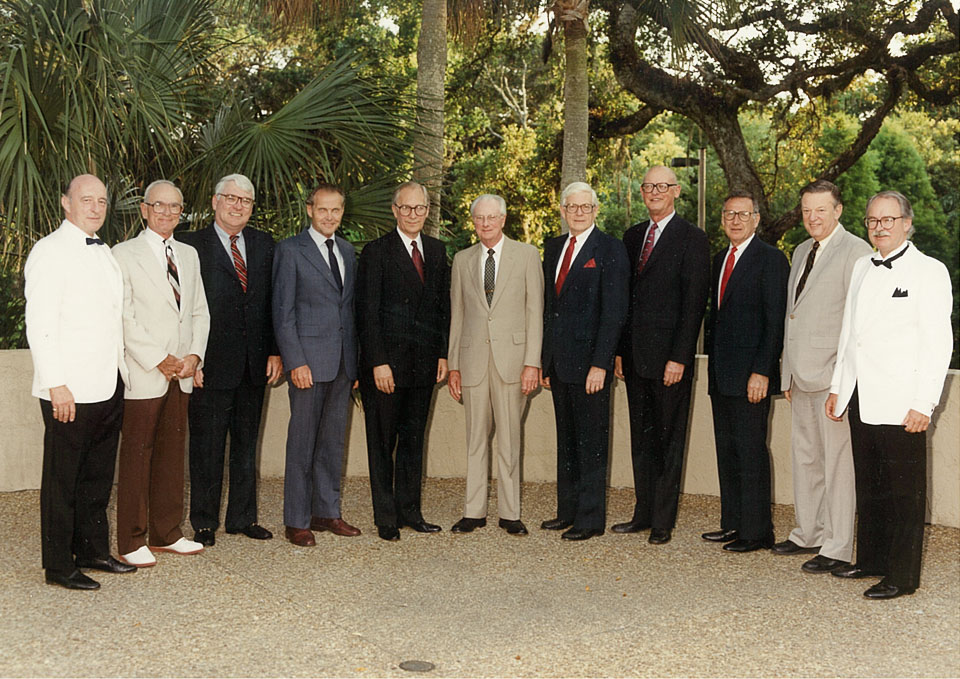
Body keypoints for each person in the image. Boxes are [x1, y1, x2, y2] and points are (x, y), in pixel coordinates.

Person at [826, 190, 953, 600]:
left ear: (906, 223)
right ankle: (872, 560)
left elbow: (938, 344)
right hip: (862, 395)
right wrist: (838, 387)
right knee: (871, 484)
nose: (879, 227)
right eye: (873, 221)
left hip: (903, 403)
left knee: (905, 492)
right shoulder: (862, 266)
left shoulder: (929, 271)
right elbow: (850, 335)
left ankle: (902, 576)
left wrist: (924, 403)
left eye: (887, 220)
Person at [25, 174, 136, 589]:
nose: (95, 207)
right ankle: (58, 566)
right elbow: (40, 324)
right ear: (65, 203)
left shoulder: (104, 253)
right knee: (62, 479)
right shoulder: (49, 251)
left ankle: (91, 550)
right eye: (86, 200)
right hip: (68, 388)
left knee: (96, 477)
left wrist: (121, 376)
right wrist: (56, 384)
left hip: (107, 383)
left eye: (102, 201)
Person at [772, 180, 871, 573]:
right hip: (800, 377)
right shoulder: (800, 251)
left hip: (833, 379)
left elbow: (856, 325)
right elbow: (792, 316)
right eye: (807, 210)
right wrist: (786, 375)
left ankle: (837, 546)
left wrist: (842, 383)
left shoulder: (857, 253)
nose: (813, 217)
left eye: (821, 210)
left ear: (838, 211)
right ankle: (808, 532)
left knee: (837, 466)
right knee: (806, 459)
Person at [178, 174, 283, 546]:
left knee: (245, 444)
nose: (238, 206)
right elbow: (184, 306)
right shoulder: (191, 245)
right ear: (214, 201)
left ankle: (243, 518)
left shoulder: (264, 244)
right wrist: (194, 358)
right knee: (206, 447)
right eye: (231, 198)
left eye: (246, 201)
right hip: (210, 364)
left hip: (254, 364)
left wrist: (274, 350)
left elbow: (272, 302)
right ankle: (204, 523)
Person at [112, 180, 211, 567]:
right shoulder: (123, 254)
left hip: (182, 371)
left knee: (172, 453)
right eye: (160, 206)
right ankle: (131, 538)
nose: (167, 213)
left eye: (175, 207)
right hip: (145, 370)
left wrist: (193, 356)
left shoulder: (188, 254)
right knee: (138, 453)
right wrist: (158, 358)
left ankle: (167, 533)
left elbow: (199, 311)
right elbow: (123, 316)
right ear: (144, 209)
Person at [612, 166, 710, 545]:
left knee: (669, 440)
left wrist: (680, 357)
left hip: (670, 360)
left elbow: (693, 304)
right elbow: (625, 300)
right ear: (642, 192)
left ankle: (663, 522)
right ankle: (643, 512)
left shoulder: (692, 238)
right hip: (636, 358)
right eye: (649, 186)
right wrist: (621, 352)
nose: (655, 191)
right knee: (642, 438)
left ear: (676, 191)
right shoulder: (633, 236)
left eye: (662, 186)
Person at [357, 181, 450, 541]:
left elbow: (444, 309)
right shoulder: (376, 252)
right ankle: (386, 518)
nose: (413, 215)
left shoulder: (438, 251)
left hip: (423, 364)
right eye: (406, 208)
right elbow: (366, 312)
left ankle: (411, 511)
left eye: (420, 208)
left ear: (428, 211)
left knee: (413, 440)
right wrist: (378, 361)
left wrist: (442, 353)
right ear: (394, 210)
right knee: (382, 442)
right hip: (387, 367)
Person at [447, 194, 544, 536]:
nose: (485, 224)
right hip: (473, 361)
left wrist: (532, 362)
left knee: (509, 438)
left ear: (503, 219)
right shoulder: (462, 259)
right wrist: (454, 366)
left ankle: (510, 513)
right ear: (473, 222)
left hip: (513, 362)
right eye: (479, 219)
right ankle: (473, 512)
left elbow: (535, 312)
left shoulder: (527, 255)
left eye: (491, 218)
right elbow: (457, 315)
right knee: (474, 438)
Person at [272, 183, 361, 547]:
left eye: (336, 210)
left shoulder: (347, 250)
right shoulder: (291, 251)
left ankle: (326, 512)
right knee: (302, 443)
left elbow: (349, 310)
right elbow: (283, 312)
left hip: (342, 363)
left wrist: (354, 362)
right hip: (308, 363)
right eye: (322, 210)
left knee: (332, 442)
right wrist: (296, 361)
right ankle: (296, 519)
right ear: (310, 209)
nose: (329, 217)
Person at [540, 182, 629, 541]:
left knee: (592, 443)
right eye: (571, 207)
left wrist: (601, 364)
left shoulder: (610, 249)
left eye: (585, 207)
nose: (578, 212)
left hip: (591, 366)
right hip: (560, 365)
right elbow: (550, 309)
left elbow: (614, 312)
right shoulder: (553, 247)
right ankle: (567, 511)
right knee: (568, 441)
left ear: (595, 210)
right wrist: (546, 362)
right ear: (562, 210)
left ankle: (590, 520)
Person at [703, 191, 788, 552]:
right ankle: (732, 523)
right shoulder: (720, 258)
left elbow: (774, 323)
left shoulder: (771, 260)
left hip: (751, 374)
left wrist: (762, 371)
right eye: (728, 214)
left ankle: (756, 532)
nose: (735, 220)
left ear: (756, 218)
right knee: (728, 450)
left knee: (751, 450)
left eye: (742, 214)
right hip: (722, 374)